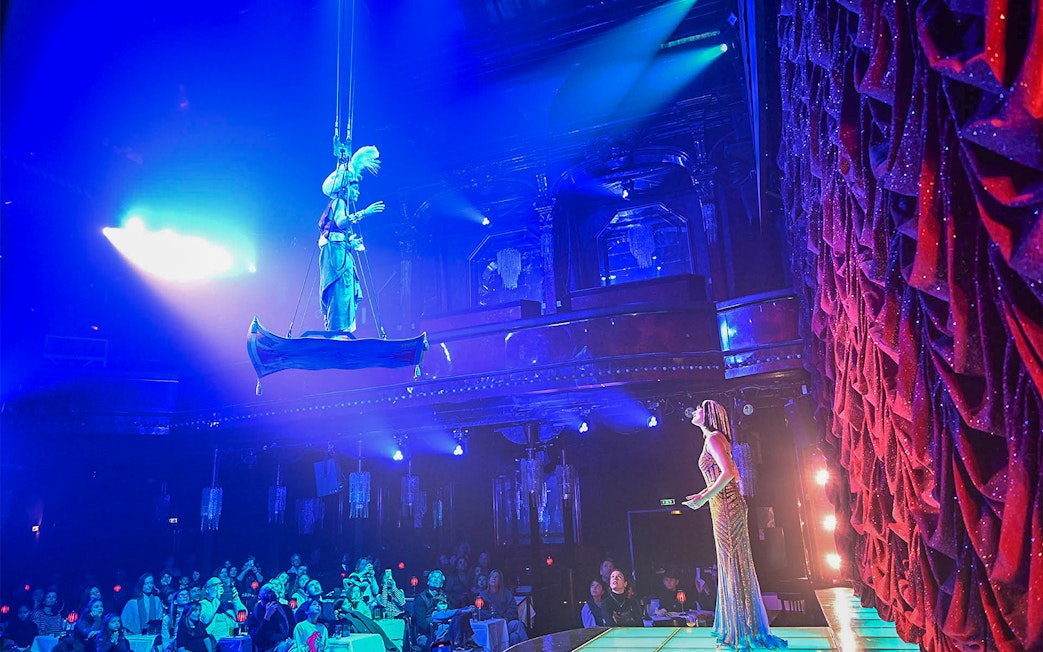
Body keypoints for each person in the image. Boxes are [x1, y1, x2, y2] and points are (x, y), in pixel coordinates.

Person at [685, 399, 787, 649]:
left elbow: (730, 472)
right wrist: (708, 497)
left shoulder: (713, 438)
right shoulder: (712, 439)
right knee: (732, 562)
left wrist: (703, 496)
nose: (695, 410)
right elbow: (734, 474)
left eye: (700, 408)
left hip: (726, 505)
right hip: (723, 505)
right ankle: (739, 626)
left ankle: (742, 630)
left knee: (733, 562)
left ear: (709, 414)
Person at [318, 146, 385, 334]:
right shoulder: (339, 202)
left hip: (340, 250)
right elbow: (340, 221)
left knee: (346, 290)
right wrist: (365, 212)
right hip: (335, 253)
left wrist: (351, 242)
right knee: (340, 289)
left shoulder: (342, 204)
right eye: (355, 189)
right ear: (346, 188)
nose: (358, 193)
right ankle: (337, 332)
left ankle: (342, 331)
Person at [412, 570, 478, 651]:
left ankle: (467, 641)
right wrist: (437, 627)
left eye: (438, 578)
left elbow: (450, 612)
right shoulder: (421, 598)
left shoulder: (445, 596)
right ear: (428, 582)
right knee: (441, 647)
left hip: (445, 629)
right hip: (426, 633)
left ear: (442, 584)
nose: (436, 579)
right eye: (433, 577)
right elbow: (421, 623)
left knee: (460, 617)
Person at [479, 570, 528, 645]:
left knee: (515, 632)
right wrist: (495, 616)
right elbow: (480, 612)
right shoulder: (483, 595)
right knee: (514, 636)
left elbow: (513, 609)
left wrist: (505, 618)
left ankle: (530, 648)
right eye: (492, 577)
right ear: (489, 579)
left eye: (496, 577)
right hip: (491, 627)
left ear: (500, 581)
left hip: (505, 624)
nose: (493, 578)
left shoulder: (506, 593)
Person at [246, 586, 290, 652]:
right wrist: (267, 616)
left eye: (272, 598)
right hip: (267, 647)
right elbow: (257, 637)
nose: (269, 603)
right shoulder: (255, 614)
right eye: (266, 599)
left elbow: (291, 627)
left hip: (285, 642)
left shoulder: (285, 608)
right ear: (260, 598)